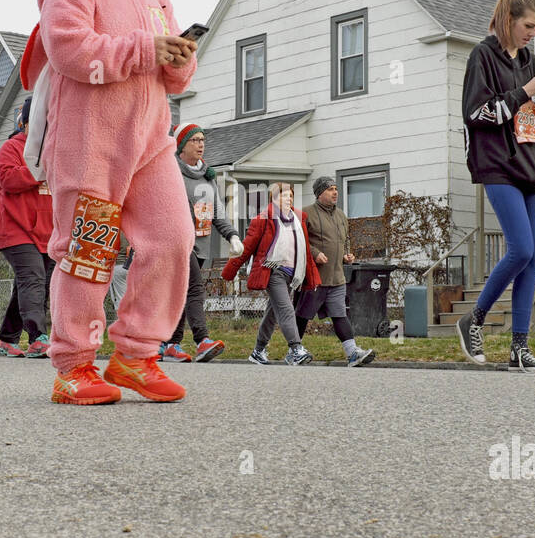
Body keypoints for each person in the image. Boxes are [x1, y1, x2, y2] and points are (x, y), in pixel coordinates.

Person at [21, 0, 197, 404]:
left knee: (173, 240)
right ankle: (74, 365)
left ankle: (135, 356)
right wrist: (147, 50)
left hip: (150, 141)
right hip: (90, 141)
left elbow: (174, 78)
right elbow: (70, 50)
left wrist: (179, 59)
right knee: (88, 251)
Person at [459, 0, 535, 374]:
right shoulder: (482, 57)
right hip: (498, 167)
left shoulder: (530, 61)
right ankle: (473, 319)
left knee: (532, 259)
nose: (532, 34)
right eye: (528, 26)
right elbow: (477, 114)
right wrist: (526, 90)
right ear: (509, 20)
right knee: (521, 248)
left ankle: (519, 348)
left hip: (533, 169)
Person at [159, 123, 244, 363]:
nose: (201, 144)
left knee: (180, 294)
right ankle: (202, 340)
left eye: (202, 140)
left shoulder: (208, 176)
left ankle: (169, 344)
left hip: (201, 245)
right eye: (195, 140)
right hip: (176, 243)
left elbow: (217, 211)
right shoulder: (170, 172)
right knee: (195, 288)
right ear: (181, 145)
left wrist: (232, 235)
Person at [222, 182, 319, 366]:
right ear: (273, 199)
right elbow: (247, 246)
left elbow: (304, 249)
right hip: (273, 270)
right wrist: (230, 270)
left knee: (273, 312)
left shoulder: (299, 220)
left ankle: (258, 351)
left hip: (292, 273)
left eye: (290, 195)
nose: (288, 199)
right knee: (286, 308)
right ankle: (296, 349)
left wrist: (311, 275)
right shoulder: (263, 219)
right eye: (283, 195)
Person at [0, 96, 53, 358]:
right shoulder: (11, 147)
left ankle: (7, 339)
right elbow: (8, 179)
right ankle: (38, 337)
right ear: (26, 123)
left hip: (48, 231)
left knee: (32, 285)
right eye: (39, 121)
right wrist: (39, 170)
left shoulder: (54, 151)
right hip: (15, 229)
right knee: (33, 279)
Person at [296, 176, 376, 367]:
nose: (335, 192)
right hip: (314, 278)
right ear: (319, 193)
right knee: (302, 315)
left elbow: (345, 240)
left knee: (340, 315)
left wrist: (347, 255)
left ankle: (353, 354)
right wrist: (314, 253)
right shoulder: (306, 214)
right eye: (330, 189)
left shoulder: (341, 215)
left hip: (337, 277)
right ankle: (295, 351)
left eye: (336, 189)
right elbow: (300, 241)